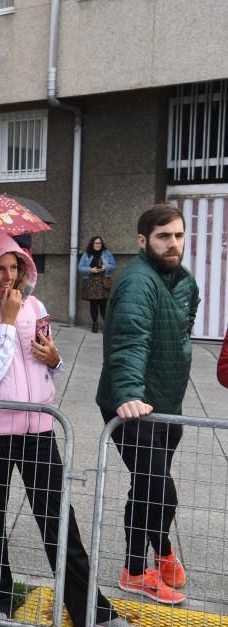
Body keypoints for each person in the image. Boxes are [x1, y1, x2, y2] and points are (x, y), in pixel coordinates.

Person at [0, 233, 148, 627]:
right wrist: (7, 322)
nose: (8, 277)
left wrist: (56, 358)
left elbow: (49, 368)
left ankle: (91, 611)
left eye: (14, 267)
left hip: (40, 430)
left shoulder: (37, 307)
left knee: (61, 522)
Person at [97, 203, 198, 605]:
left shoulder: (184, 281)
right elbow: (129, 341)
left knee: (148, 485)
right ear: (143, 241)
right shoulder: (138, 282)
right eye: (163, 236)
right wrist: (129, 394)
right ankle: (146, 563)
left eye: (178, 235)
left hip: (167, 404)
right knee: (161, 489)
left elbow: (181, 332)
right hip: (133, 408)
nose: (173, 244)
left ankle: (143, 561)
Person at [78, 236, 117, 333]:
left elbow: (113, 265)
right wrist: (90, 270)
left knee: (104, 304)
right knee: (93, 304)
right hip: (91, 281)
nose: (98, 245)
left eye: (99, 243)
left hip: (103, 281)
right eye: (96, 243)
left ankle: (106, 325)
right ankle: (94, 323)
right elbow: (80, 267)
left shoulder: (107, 253)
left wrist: (105, 267)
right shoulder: (87, 254)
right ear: (92, 244)